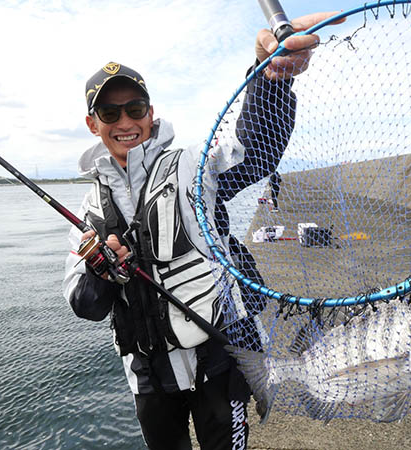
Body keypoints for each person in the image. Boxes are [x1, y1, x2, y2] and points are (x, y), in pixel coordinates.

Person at [62, 12, 338, 450]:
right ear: (92, 124)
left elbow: (256, 151)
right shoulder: (89, 209)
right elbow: (85, 304)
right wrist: (100, 271)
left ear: (151, 114)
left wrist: (270, 79)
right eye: (110, 112)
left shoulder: (194, 166)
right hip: (148, 378)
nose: (125, 122)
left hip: (218, 364)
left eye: (135, 109)